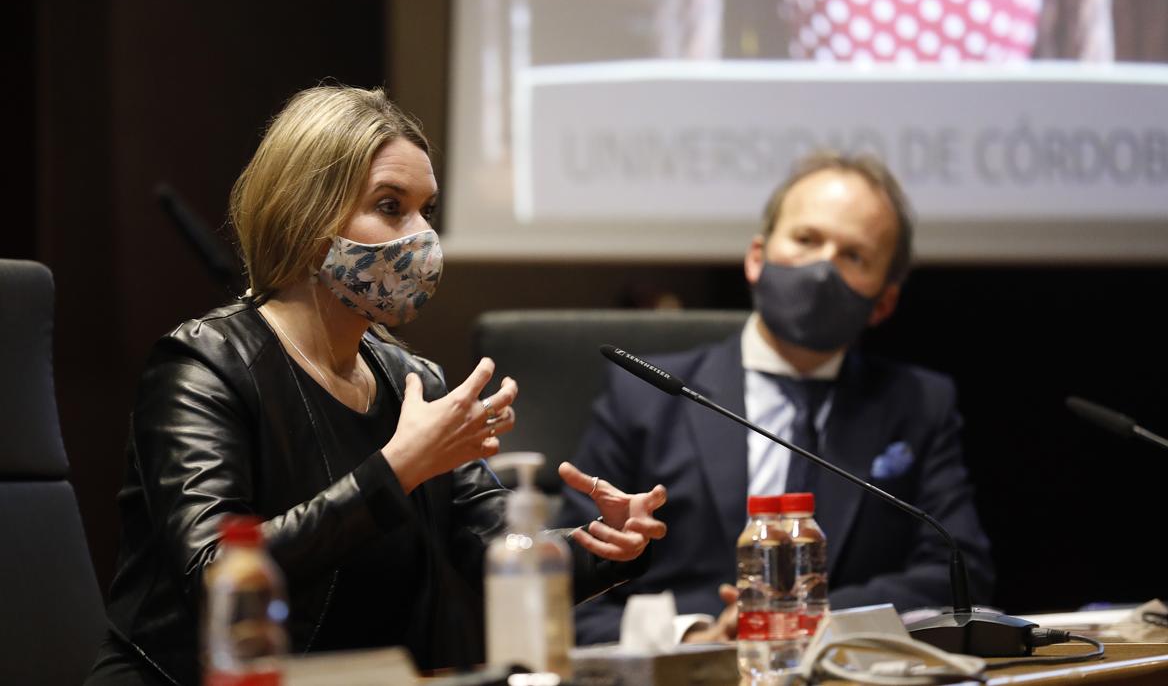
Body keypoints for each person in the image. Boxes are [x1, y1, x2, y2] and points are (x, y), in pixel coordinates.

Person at [86, 85, 668, 685]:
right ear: (306, 215)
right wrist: (396, 469)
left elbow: (489, 549)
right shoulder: (203, 366)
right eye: (391, 206)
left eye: (427, 211)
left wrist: (602, 545)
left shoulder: (413, 379)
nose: (422, 237)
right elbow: (218, 575)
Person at [558, 151, 994, 645]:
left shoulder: (917, 404)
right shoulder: (647, 396)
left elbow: (960, 575)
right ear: (757, 257)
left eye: (854, 256)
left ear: (885, 301)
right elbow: (560, 590)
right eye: (806, 240)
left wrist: (794, 618)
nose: (823, 267)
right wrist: (693, 635)